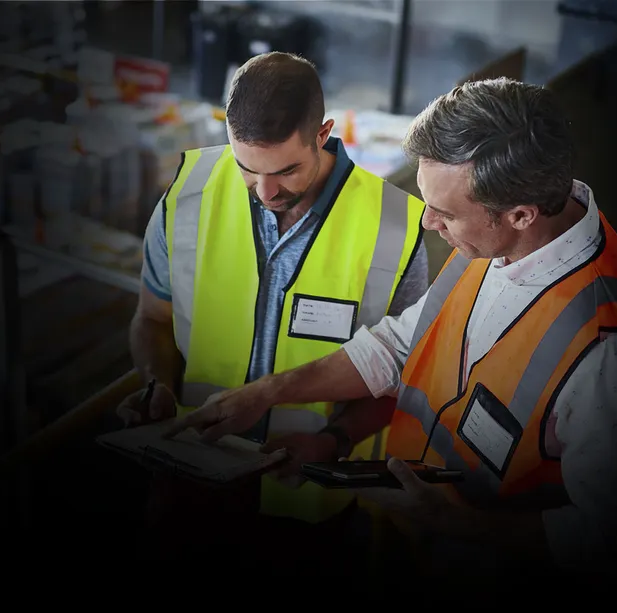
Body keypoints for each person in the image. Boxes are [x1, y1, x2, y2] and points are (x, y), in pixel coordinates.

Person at [164, 77, 617, 581]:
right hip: (410, 548)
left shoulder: (615, 355)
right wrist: (268, 393)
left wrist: (449, 521)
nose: (428, 222)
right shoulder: (495, 242)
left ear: (521, 214)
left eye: (446, 213)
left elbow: (613, 540)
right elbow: (398, 346)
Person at [113, 52, 430, 568]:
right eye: (246, 168)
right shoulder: (188, 194)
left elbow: (405, 375)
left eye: (286, 170)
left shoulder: (395, 228)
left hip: (307, 498)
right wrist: (159, 386)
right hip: (188, 472)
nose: (265, 192)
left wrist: (333, 440)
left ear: (323, 133)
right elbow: (152, 319)